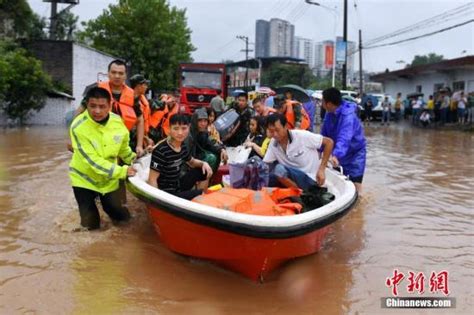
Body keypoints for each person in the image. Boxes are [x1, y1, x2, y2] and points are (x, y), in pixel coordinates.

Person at [69, 87, 137, 230]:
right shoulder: (77, 127)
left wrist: (134, 159)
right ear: (86, 105)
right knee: (91, 225)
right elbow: (93, 162)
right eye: (93, 106)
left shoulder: (117, 121)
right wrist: (123, 172)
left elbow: (123, 148)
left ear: (110, 106)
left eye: (102, 106)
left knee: (121, 217)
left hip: (108, 180)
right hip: (84, 179)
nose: (97, 111)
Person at [148, 114, 213, 200]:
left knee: (204, 171)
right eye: (176, 128)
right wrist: (157, 201)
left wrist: (204, 163)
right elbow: (152, 180)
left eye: (184, 128)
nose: (180, 133)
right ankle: (197, 204)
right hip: (166, 194)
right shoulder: (161, 151)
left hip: (177, 185)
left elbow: (192, 162)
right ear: (169, 129)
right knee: (201, 194)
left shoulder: (182, 146)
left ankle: (196, 202)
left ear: (188, 128)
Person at [263, 114, 334, 190]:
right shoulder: (273, 143)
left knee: (279, 169)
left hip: (310, 178)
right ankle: (297, 193)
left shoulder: (302, 136)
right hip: (292, 180)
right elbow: (265, 163)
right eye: (271, 131)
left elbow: (329, 142)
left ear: (286, 126)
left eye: (277, 130)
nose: (275, 134)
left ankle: (302, 195)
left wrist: (321, 169)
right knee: (261, 172)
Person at [321, 88, 367, 193]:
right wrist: (318, 149)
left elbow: (344, 137)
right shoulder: (329, 114)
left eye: (322, 101)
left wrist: (336, 154)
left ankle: (360, 203)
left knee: (356, 185)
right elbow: (324, 135)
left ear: (328, 103)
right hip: (340, 152)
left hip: (355, 153)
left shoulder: (348, 116)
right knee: (341, 182)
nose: (320, 104)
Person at [187, 108, 228, 174]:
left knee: (218, 154)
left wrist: (222, 149)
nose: (203, 124)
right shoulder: (188, 134)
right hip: (188, 163)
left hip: (197, 156)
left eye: (205, 121)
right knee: (211, 158)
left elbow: (212, 142)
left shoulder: (204, 132)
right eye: (200, 121)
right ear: (195, 121)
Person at [130, 74, 154, 151]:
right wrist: (145, 138)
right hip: (132, 141)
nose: (146, 87)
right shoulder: (130, 101)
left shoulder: (141, 99)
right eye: (145, 84)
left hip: (141, 139)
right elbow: (131, 125)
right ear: (138, 86)